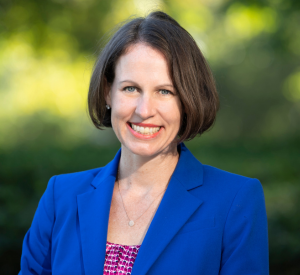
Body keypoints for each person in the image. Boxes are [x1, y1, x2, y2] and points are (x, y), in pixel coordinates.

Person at [19, 11, 269, 275]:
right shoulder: (61, 197)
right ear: (108, 92)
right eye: (131, 88)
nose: (144, 109)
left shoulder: (235, 200)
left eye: (165, 91)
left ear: (188, 100)